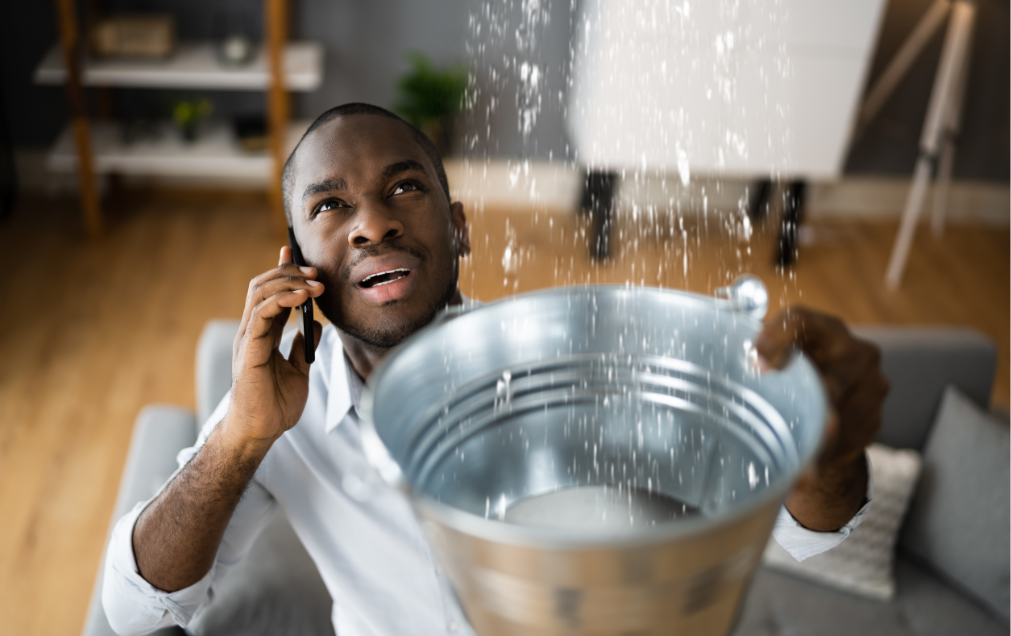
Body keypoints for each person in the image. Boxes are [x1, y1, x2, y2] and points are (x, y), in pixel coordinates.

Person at [102, 103, 888, 636]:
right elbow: (134, 608)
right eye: (330, 206)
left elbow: (812, 537)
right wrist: (240, 436)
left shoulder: (566, 363)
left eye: (404, 189)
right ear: (297, 263)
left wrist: (830, 445)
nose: (373, 221)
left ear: (458, 228)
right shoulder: (275, 414)